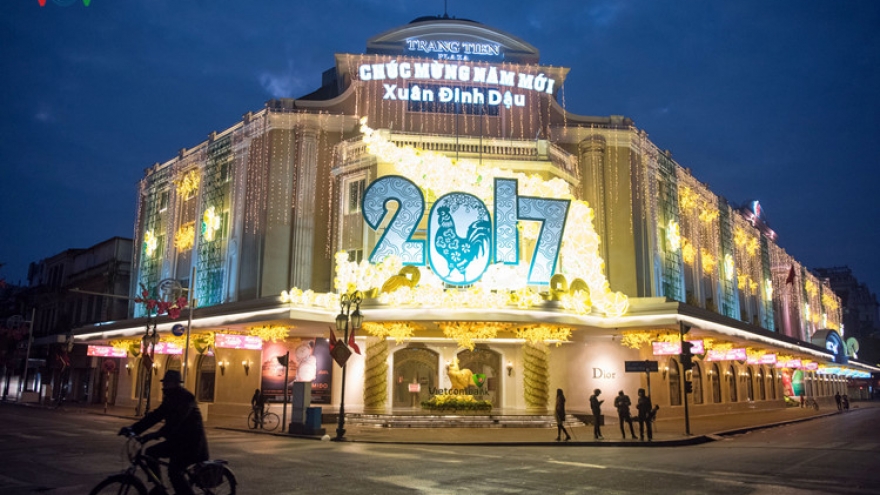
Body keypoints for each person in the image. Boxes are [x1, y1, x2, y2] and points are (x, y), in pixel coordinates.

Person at [119, 370, 208, 495]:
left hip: (192, 444)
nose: (164, 386)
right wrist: (133, 429)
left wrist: (156, 434)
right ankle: (158, 486)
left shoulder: (186, 398)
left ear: (176, 383)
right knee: (150, 453)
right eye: (164, 383)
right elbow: (156, 416)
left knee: (174, 471)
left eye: (168, 383)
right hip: (177, 442)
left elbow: (177, 422)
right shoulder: (169, 398)